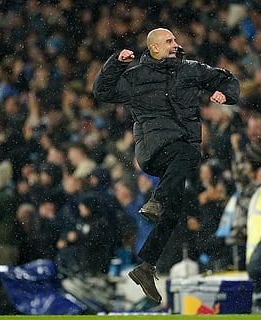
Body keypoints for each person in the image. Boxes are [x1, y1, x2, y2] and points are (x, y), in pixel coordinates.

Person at [92, 27, 240, 303]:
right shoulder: (136, 75)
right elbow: (102, 90)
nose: (175, 44)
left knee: (175, 208)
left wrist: (225, 94)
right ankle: (157, 200)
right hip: (153, 148)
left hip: (178, 151)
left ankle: (146, 266)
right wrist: (115, 63)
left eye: (175, 39)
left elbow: (227, 78)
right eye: (169, 41)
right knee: (190, 153)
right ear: (155, 48)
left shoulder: (190, 69)